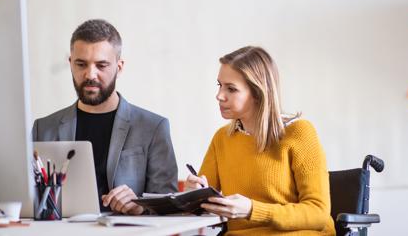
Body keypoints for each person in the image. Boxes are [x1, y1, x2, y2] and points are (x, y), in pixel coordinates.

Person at [32, 19, 178, 215]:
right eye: (81, 64)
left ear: (119, 67)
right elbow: (29, 198)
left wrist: (139, 207)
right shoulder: (43, 128)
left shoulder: (153, 127)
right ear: (70, 64)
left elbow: (169, 206)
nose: (90, 75)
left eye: (101, 65)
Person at [185, 46, 335, 235]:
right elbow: (204, 205)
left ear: (257, 92)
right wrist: (194, 195)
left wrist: (252, 210)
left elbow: (318, 213)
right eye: (219, 85)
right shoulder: (222, 138)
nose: (219, 96)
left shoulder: (300, 132)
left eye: (231, 89)